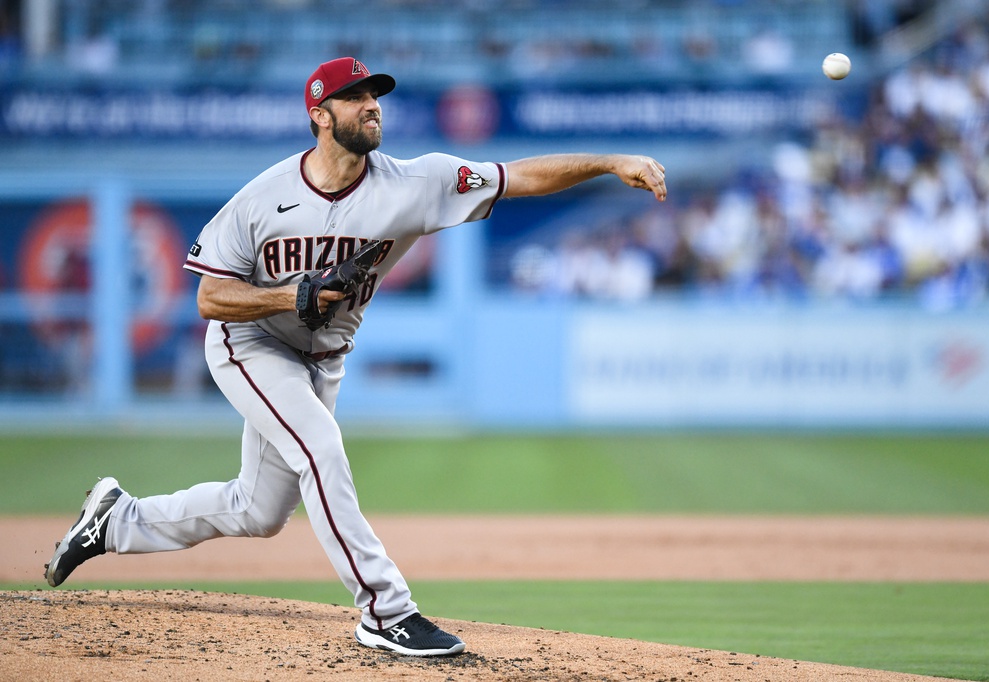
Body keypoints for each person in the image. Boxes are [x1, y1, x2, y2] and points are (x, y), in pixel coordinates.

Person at [44, 56, 667, 657]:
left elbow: (519, 176)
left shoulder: (416, 183)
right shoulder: (263, 198)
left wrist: (612, 162)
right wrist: (292, 293)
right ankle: (386, 611)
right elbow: (210, 296)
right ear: (320, 113)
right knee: (321, 448)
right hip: (252, 344)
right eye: (357, 97)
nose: (373, 106)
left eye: (376, 96)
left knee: (257, 511)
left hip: (323, 358)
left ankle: (116, 521)